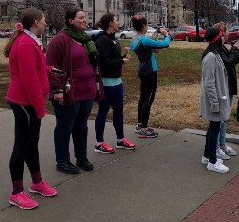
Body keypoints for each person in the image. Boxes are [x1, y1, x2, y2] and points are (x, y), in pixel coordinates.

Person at [4, 8, 57, 210]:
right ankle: (16, 192)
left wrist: (49, 70)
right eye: (44, 20)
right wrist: (39, 107)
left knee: (31, 144)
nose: (46, 23)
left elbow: (35, 69)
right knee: (21, 147)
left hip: (30, 102)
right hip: (24, 103)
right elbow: (29, 80)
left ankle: (37, 182)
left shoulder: (29, 40)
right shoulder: (25, 43)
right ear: (35, 22)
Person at [46, 9, 101, 175]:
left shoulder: (86, 39)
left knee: (81, 126)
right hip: (69, 91)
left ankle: (81, 157)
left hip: (87, 90)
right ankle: (62, 161)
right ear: (70, 20)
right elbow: (51, 67)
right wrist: (57, 89)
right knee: (65, 126)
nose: (85, 20)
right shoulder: (60, 40)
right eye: (81, 18)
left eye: (85, 18)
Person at [93, 13, 135, 153]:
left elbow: (113, 59)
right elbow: (103, 62)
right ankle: (99, 143)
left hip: (117, 81)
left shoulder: (114, 39)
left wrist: (122, 58)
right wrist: (121, 61)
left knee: (118, 111)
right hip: (106, 82)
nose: (118, 23)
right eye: (116, 20)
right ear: (110, 23)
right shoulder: (102, 40)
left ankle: (120, 140)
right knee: (103, 111)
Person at [129, 15, 170, 138]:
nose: (148, 27)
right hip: (150, 71)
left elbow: (152, 49)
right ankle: (144, 129)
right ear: (143, 26)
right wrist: (166, 34)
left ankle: (140, 124)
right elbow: (165, 44)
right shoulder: (144, 40)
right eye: (147, 25)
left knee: (143, 97)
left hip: (142, 69)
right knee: (149, 98)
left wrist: (153, 40)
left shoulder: (135, 39)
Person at [200, 27, 231, 174]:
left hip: (218, 98)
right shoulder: (211, 57)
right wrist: (214, 103)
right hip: (215, 100)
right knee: (214, 128)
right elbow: (209, 83)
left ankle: (207, 156)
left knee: (213, 127)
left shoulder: (215, 54)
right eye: (221, 36)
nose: (223, 37)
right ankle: (212, 162)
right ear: (217, 39)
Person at [214, 22, 239, 160]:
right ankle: (216, 148)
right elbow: (226, 63)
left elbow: (229, 62)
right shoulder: (218, 49)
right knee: (221, 120)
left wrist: (237, 56)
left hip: (229, 86)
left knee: (224, 119)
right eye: (226, 30)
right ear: (222, 33)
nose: (228, 32)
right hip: (224, 87)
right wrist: (234, 50)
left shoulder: (223, 48)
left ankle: (222, 145)